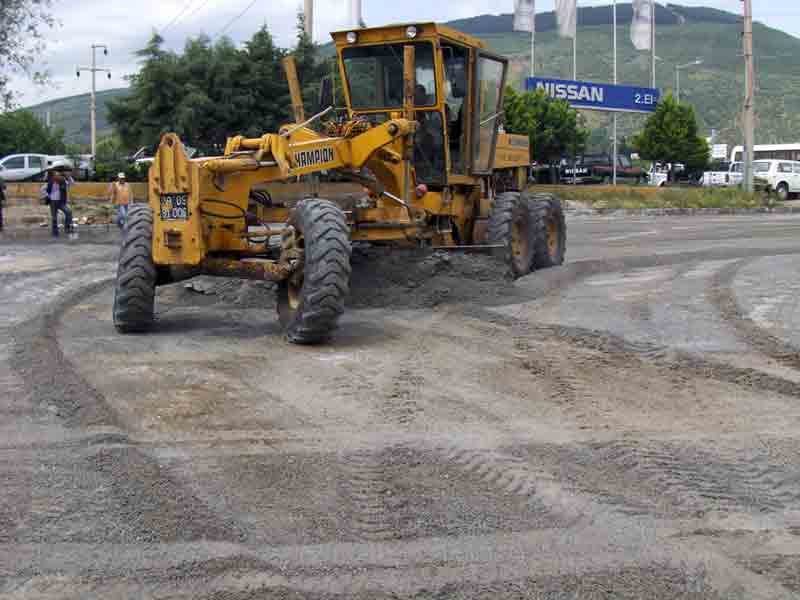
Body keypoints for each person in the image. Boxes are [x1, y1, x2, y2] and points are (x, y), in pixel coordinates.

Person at [45, 168, 74, 237]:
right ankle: (55, 232)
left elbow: (72, 183)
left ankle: (67, 228)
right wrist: (47, 196)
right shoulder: (50, 183)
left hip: (61, 202)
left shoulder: (63, 182)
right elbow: (43, 190)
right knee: (54, 218)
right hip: (53, 202)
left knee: (68, 212)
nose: (57, 177)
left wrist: (68, 176)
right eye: (56, 176)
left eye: (58, 176)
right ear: (53, 177)